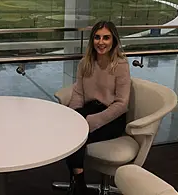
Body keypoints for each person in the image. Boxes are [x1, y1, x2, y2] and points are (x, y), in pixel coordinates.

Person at [66, 20, 131, 195]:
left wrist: (92, 122)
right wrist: (72, 116)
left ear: (114, 41)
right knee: (66, 132)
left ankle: (78, 185)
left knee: (76, 139)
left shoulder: (121, 65)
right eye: (97, 37)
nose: (101, 42)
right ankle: (78, 181)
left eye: (106, 38)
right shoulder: (85, 63)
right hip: (89, 110)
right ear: (92, 40)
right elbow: (78, 93)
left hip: (112, 117)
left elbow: (122, 104)